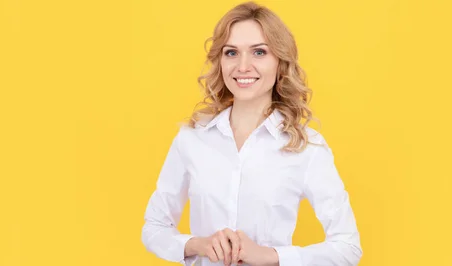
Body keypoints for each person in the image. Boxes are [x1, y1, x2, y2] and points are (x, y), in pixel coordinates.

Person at [141, 1, 362, 266]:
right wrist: (200, 244)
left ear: (280, 61)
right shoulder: (191, 139)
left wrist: (270, 256)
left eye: (259, 52)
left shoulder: (307, 146)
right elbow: (154, 227)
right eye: (231, 53)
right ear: (220, 61)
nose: (243, 66)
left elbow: (347, 247)